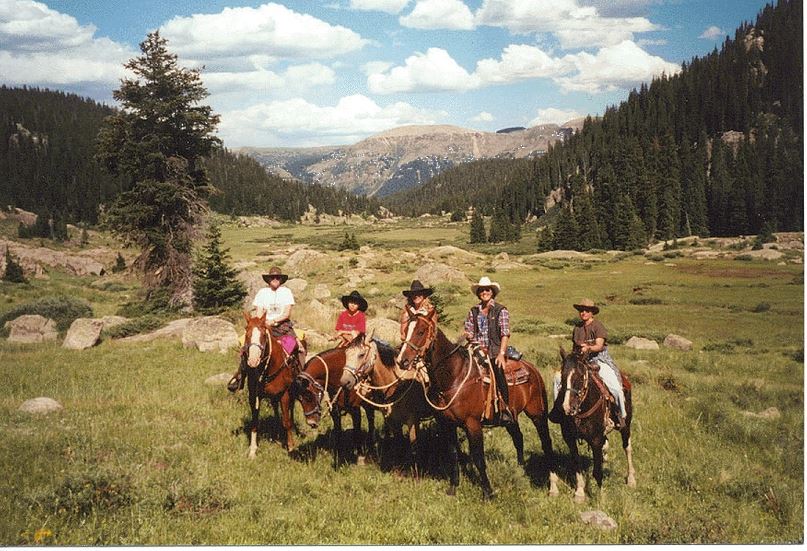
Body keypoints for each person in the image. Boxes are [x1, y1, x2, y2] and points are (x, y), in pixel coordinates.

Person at [228, 266, 305, 392]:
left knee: (299, 347)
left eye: (277, 277)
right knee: (245, 346)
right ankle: (240, 376)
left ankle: (302, 377)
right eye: (272, 277)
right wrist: (261, 324)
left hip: (283, 326)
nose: (275, 279)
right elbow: (259, 312)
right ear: (268, 280)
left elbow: (287, 313)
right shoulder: (262, 293)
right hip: (264, 326)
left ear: (281, 279)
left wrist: (273, 321)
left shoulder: (286, 292)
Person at [558, 298, 627, 428]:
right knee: (558, 380)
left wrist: (588, 348)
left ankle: (620, 415)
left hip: (598, 359)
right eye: (581, 310)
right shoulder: (577, 327)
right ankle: (558, 411)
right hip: (580, 360)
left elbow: (599, 346)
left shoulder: (598, 326)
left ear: (592, 312)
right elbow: (574, 347)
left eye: (586, 310)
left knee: (615, 388)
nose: (583, 313)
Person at [463, 276, 515, 425]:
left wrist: (501, 354)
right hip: (476, 349)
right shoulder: (473, 311)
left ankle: (505, 408)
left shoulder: (500, 310)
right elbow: (469, 329)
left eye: (487, 290)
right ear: (478, 293)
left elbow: (505, 334)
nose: (484, 292)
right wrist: (468, 335)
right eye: (481, 290)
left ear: (492, 292)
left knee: (498, 371)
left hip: (494, 350)